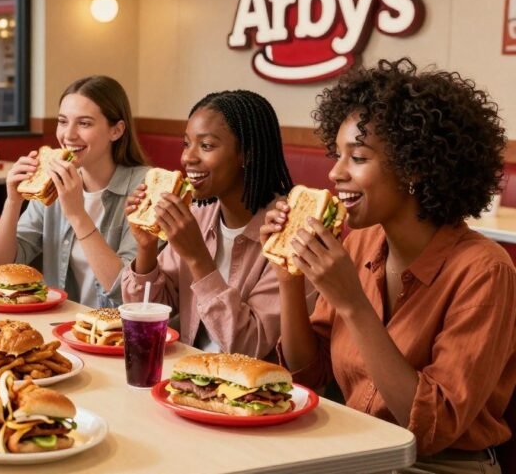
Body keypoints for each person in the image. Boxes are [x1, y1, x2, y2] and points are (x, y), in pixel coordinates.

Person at [265, 58, 515, 473]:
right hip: (357, 452)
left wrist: (353, 305)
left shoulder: (485, 271)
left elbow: (433, 430)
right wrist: (289, 275)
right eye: (337, 154)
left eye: (357, 158)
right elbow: (305, 374)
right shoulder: (361, 241)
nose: (335, 172)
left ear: (414, 167)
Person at [119, 90, 300, 358]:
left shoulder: (287, 232)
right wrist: (146, 248)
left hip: (251, 391)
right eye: (186, 144)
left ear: (247, 154)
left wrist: (197, 257)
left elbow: (250, 347)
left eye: (206, 146)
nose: (187, 158)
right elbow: (147, 313)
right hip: (188, 375)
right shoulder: (198, 215)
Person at [0, 75, 149, 308]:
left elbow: (124, 290)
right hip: (60, 325)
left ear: (116, 130)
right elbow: (1, 267)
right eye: (63, 121)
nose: (68, 135)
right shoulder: (50, 183)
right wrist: (13, 202)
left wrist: (77, 214)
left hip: (116, 335)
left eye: (84, 123)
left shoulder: (143, 189)